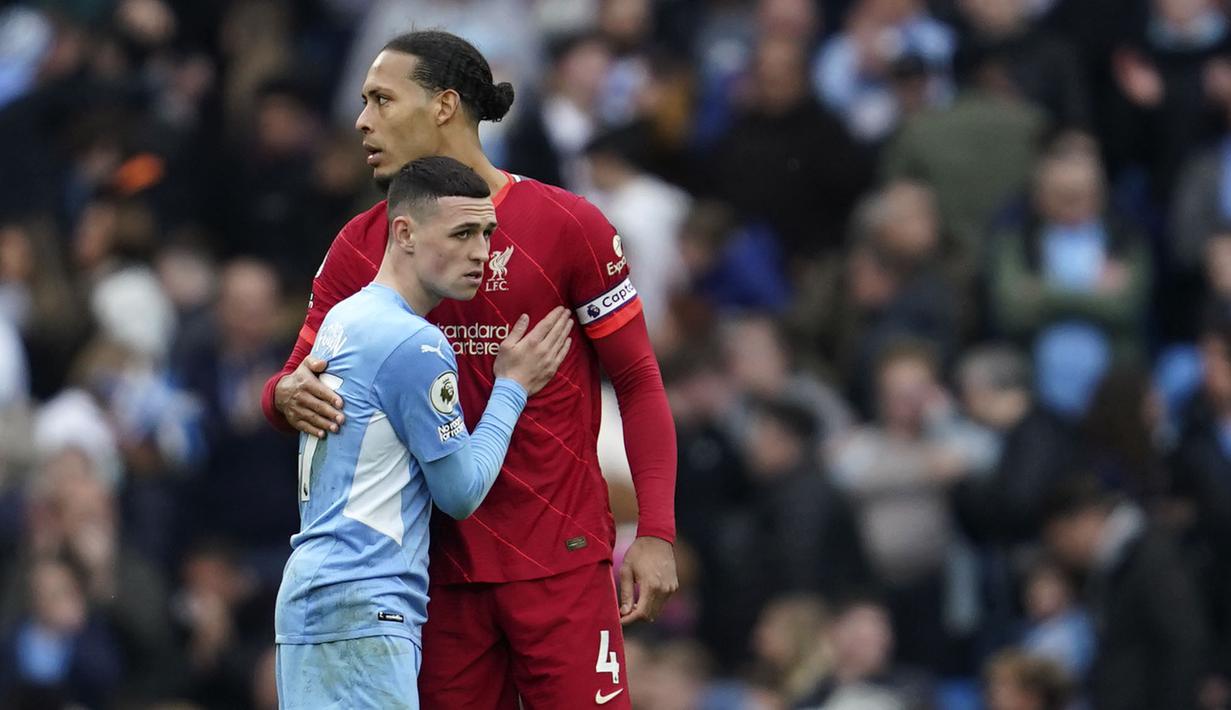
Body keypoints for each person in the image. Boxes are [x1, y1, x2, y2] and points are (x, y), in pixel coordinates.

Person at [260, 31, 678, 708]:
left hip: (560, 562)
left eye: (381, 100)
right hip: (435, 578)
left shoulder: (567, 225)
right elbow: (288, 385)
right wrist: (285, 395)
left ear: (444, 105)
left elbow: (638, 382)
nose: (362, 120)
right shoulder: (363, 243)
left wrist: (655, 531)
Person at [273, 157, 572, 709]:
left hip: (314, 594)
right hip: (366, 599)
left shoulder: (347, 316)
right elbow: (458, 493)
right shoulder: (418, 344)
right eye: (461, 233)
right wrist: (512, 387)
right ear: (404, 233)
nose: (481, 252)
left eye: (487, 233)